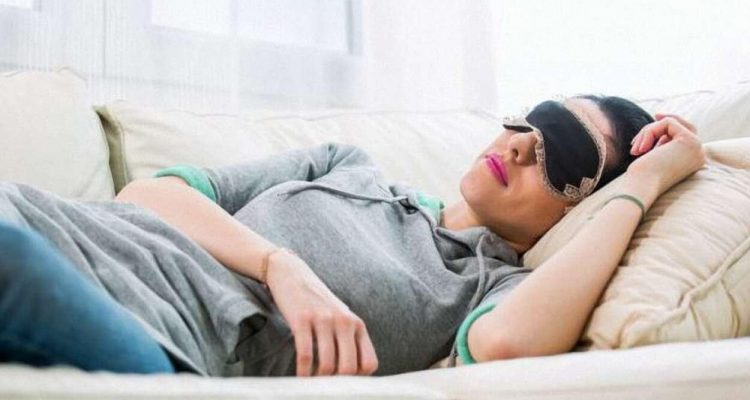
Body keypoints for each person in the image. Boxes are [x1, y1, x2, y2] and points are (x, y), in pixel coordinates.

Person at [0, 95, 705, 377]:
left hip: (152, 331)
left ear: (585, 208)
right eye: (537, 120)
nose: (523, 144)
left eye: (567, 154)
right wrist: (280, 265)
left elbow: (506, 347)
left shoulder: (489, 289)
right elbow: (150, 194)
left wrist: (646, 182)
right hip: (56, 225)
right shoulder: (349, 165)